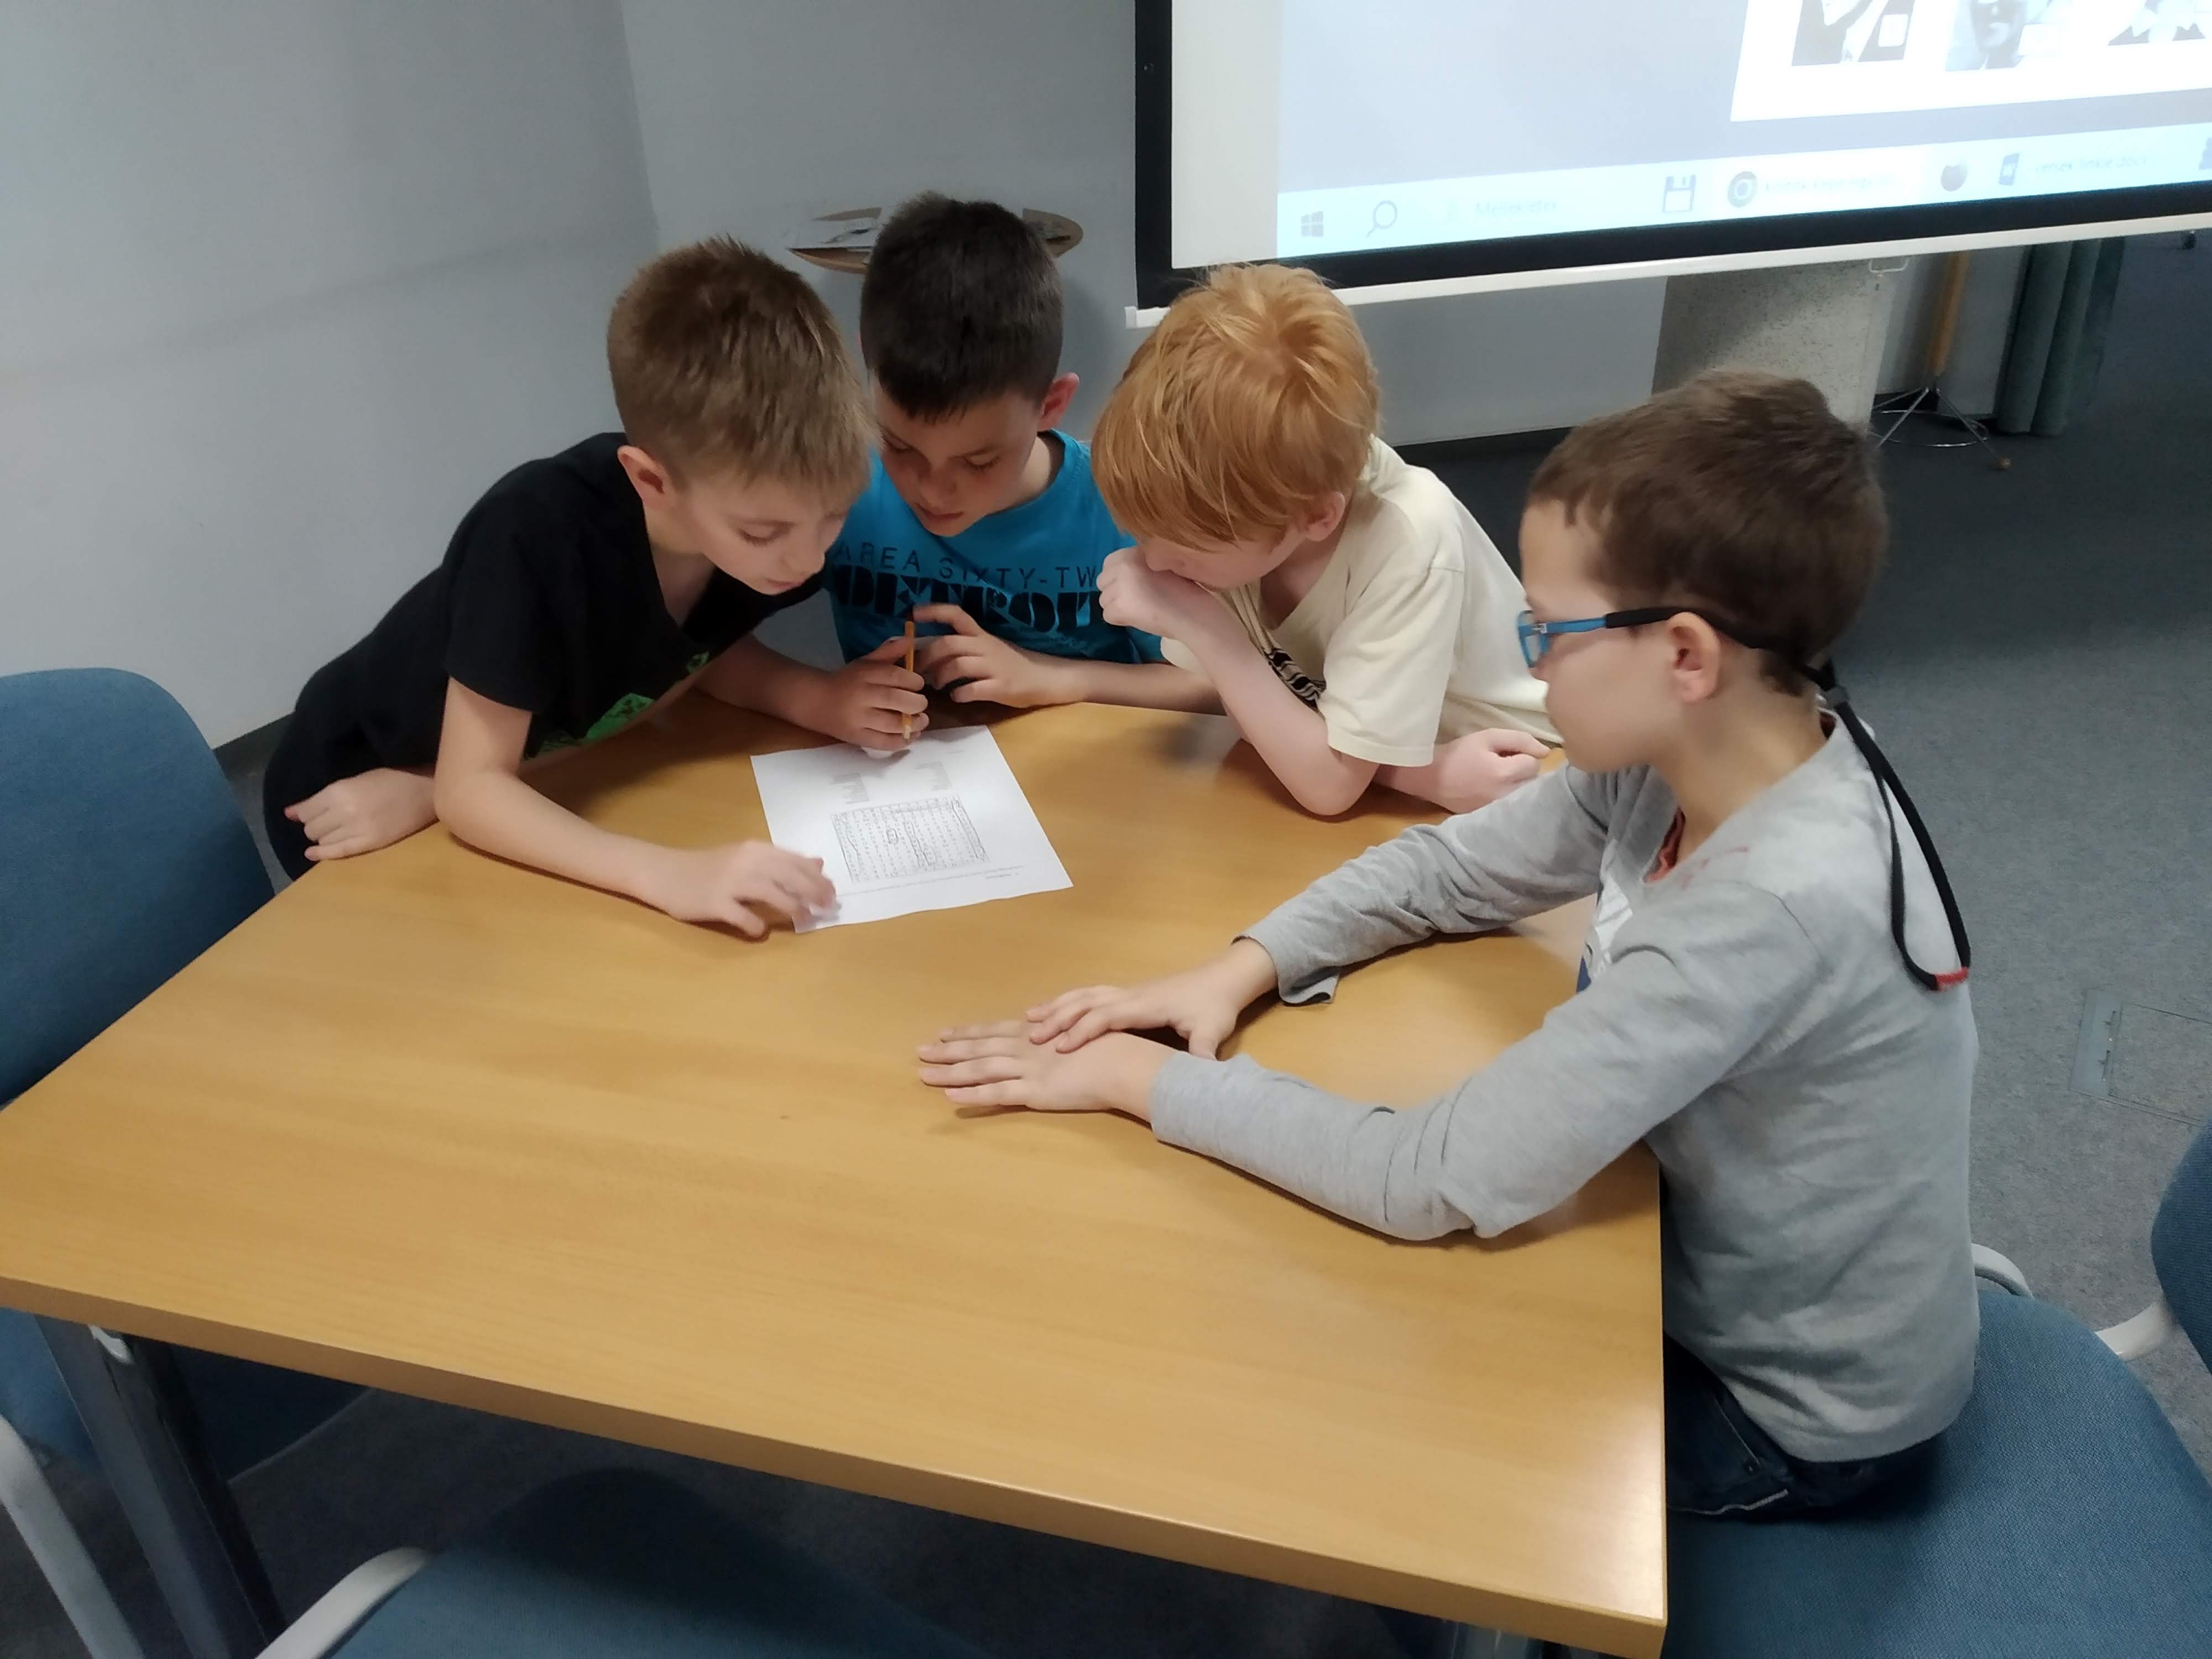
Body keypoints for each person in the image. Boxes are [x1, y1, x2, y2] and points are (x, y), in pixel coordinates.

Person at [918, 372, 1979, 1525]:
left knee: (1394, 1453)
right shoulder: (1712, 745)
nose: (1531, 665)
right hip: (1705, 1248)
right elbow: (1449, 870)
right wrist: (1241, 966)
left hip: (1783, 1409)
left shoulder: (1763, 912)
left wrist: (1138, 1079)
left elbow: (1426, 1177)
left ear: (1685, 655)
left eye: (1548, 633)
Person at [263, 237, 874, 936]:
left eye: (834, 516)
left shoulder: (757, 523)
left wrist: (816, 697)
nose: (806, 558)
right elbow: (473, 786)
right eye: (764, 533)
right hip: (353, 786)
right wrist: (665, 873)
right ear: (653, 482)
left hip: (514, 774)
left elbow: (695, 652)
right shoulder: (532, 535)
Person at [1087, 264, 1557, 817]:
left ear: (1316, 517)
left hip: (1536, 776)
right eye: (1143, 532)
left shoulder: (1407, 533)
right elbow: (1258, 713)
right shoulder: (1238, 516)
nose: (1154, 562)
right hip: (1401, 780)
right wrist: (1421, 774)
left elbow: (1329, 788)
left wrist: (1204, 626)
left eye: (1185, 549)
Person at [743, 194, 1211, 729]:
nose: (933, 490)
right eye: (900, 446)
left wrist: (1054, 677)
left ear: (1051, 405)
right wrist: (815, 698)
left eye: (979, 461)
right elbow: (695, 650)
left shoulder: (1120, 507)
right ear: (867, 370)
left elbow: (1214, 686)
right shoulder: (837, 488)